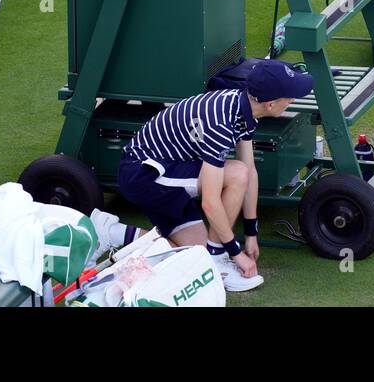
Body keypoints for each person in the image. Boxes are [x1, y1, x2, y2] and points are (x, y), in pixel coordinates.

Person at [117, 61, 313, 291]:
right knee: (236, 174)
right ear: (270, 104)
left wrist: (252, 233)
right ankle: (218, 259)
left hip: (171, 169)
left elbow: (251, 171)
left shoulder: (244, 104)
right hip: (142, 174)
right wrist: (234, 252)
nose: (293, 101)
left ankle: (112, 230)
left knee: (197, 254)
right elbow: (211, 201)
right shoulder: (220, 124)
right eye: (289, 97)